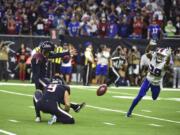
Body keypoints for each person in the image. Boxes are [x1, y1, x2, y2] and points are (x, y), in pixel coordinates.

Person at [126, 44, 172, 117]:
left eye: (162, 56)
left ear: (164, 57)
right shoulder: (153, 57)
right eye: (159, 55)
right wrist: (149, 45)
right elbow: (147, 52)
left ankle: (129, 112)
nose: (160, 56)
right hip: (147, 80)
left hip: (156, 84)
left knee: (154, 98)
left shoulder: (164, 64)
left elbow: (167, 63)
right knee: (139, 96)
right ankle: (129, 112)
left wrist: (169, 56)